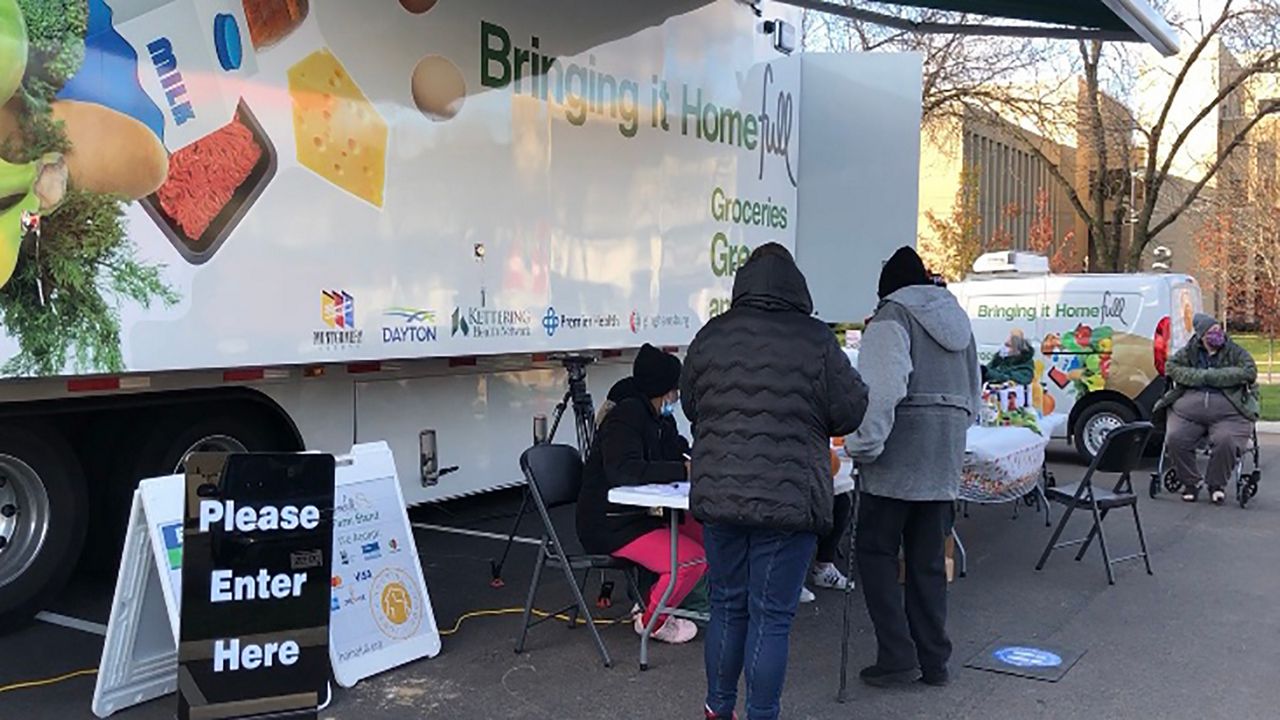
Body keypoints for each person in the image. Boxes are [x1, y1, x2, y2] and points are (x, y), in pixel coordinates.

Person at [681, 242, 869, 720]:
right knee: (771, 616)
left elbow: (690, 405)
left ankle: (717, 709)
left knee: (727, 605)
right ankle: (762, 714)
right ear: (796, 288)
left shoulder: (710, 336)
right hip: (788, 498)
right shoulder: (816, 340)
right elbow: (850, 410)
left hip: (720, 494)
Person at [845, 246, 980, 689]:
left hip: (896, 461)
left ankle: (897, 655)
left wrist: (861, 446)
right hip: (943, 459)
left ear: (888, 290)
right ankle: (934, 659)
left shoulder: (892, 319)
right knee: (926, 563)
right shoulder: (958, 321)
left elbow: (880, 391)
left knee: (876, 555)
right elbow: (974, 394)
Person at [576, 344, 704, 644]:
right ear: (665, 390)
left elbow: (676, 451)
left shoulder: (660, 418)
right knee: (691, 560)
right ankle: (652, 621)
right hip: (611, 524)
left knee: (708, 532)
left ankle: (656, 599)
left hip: (642, 516)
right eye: (675, 390)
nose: (677, 397)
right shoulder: (626, 416)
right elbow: (625, 470)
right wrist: (682, 471)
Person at [1154, 313, 1258, 505]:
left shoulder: (1234, 351)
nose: (1217, 334)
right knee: (1175, 438)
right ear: (1201, 335)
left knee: (1226, 441)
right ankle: (1191, 482)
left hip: (1229, 409)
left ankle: (1216, 485)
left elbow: (1249, 370)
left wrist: (1214, 377)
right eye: (1212, 332)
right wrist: (1201, 376)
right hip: (1189, 410)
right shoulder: (1190, 351)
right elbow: (1172, 368)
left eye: (1218, 330)